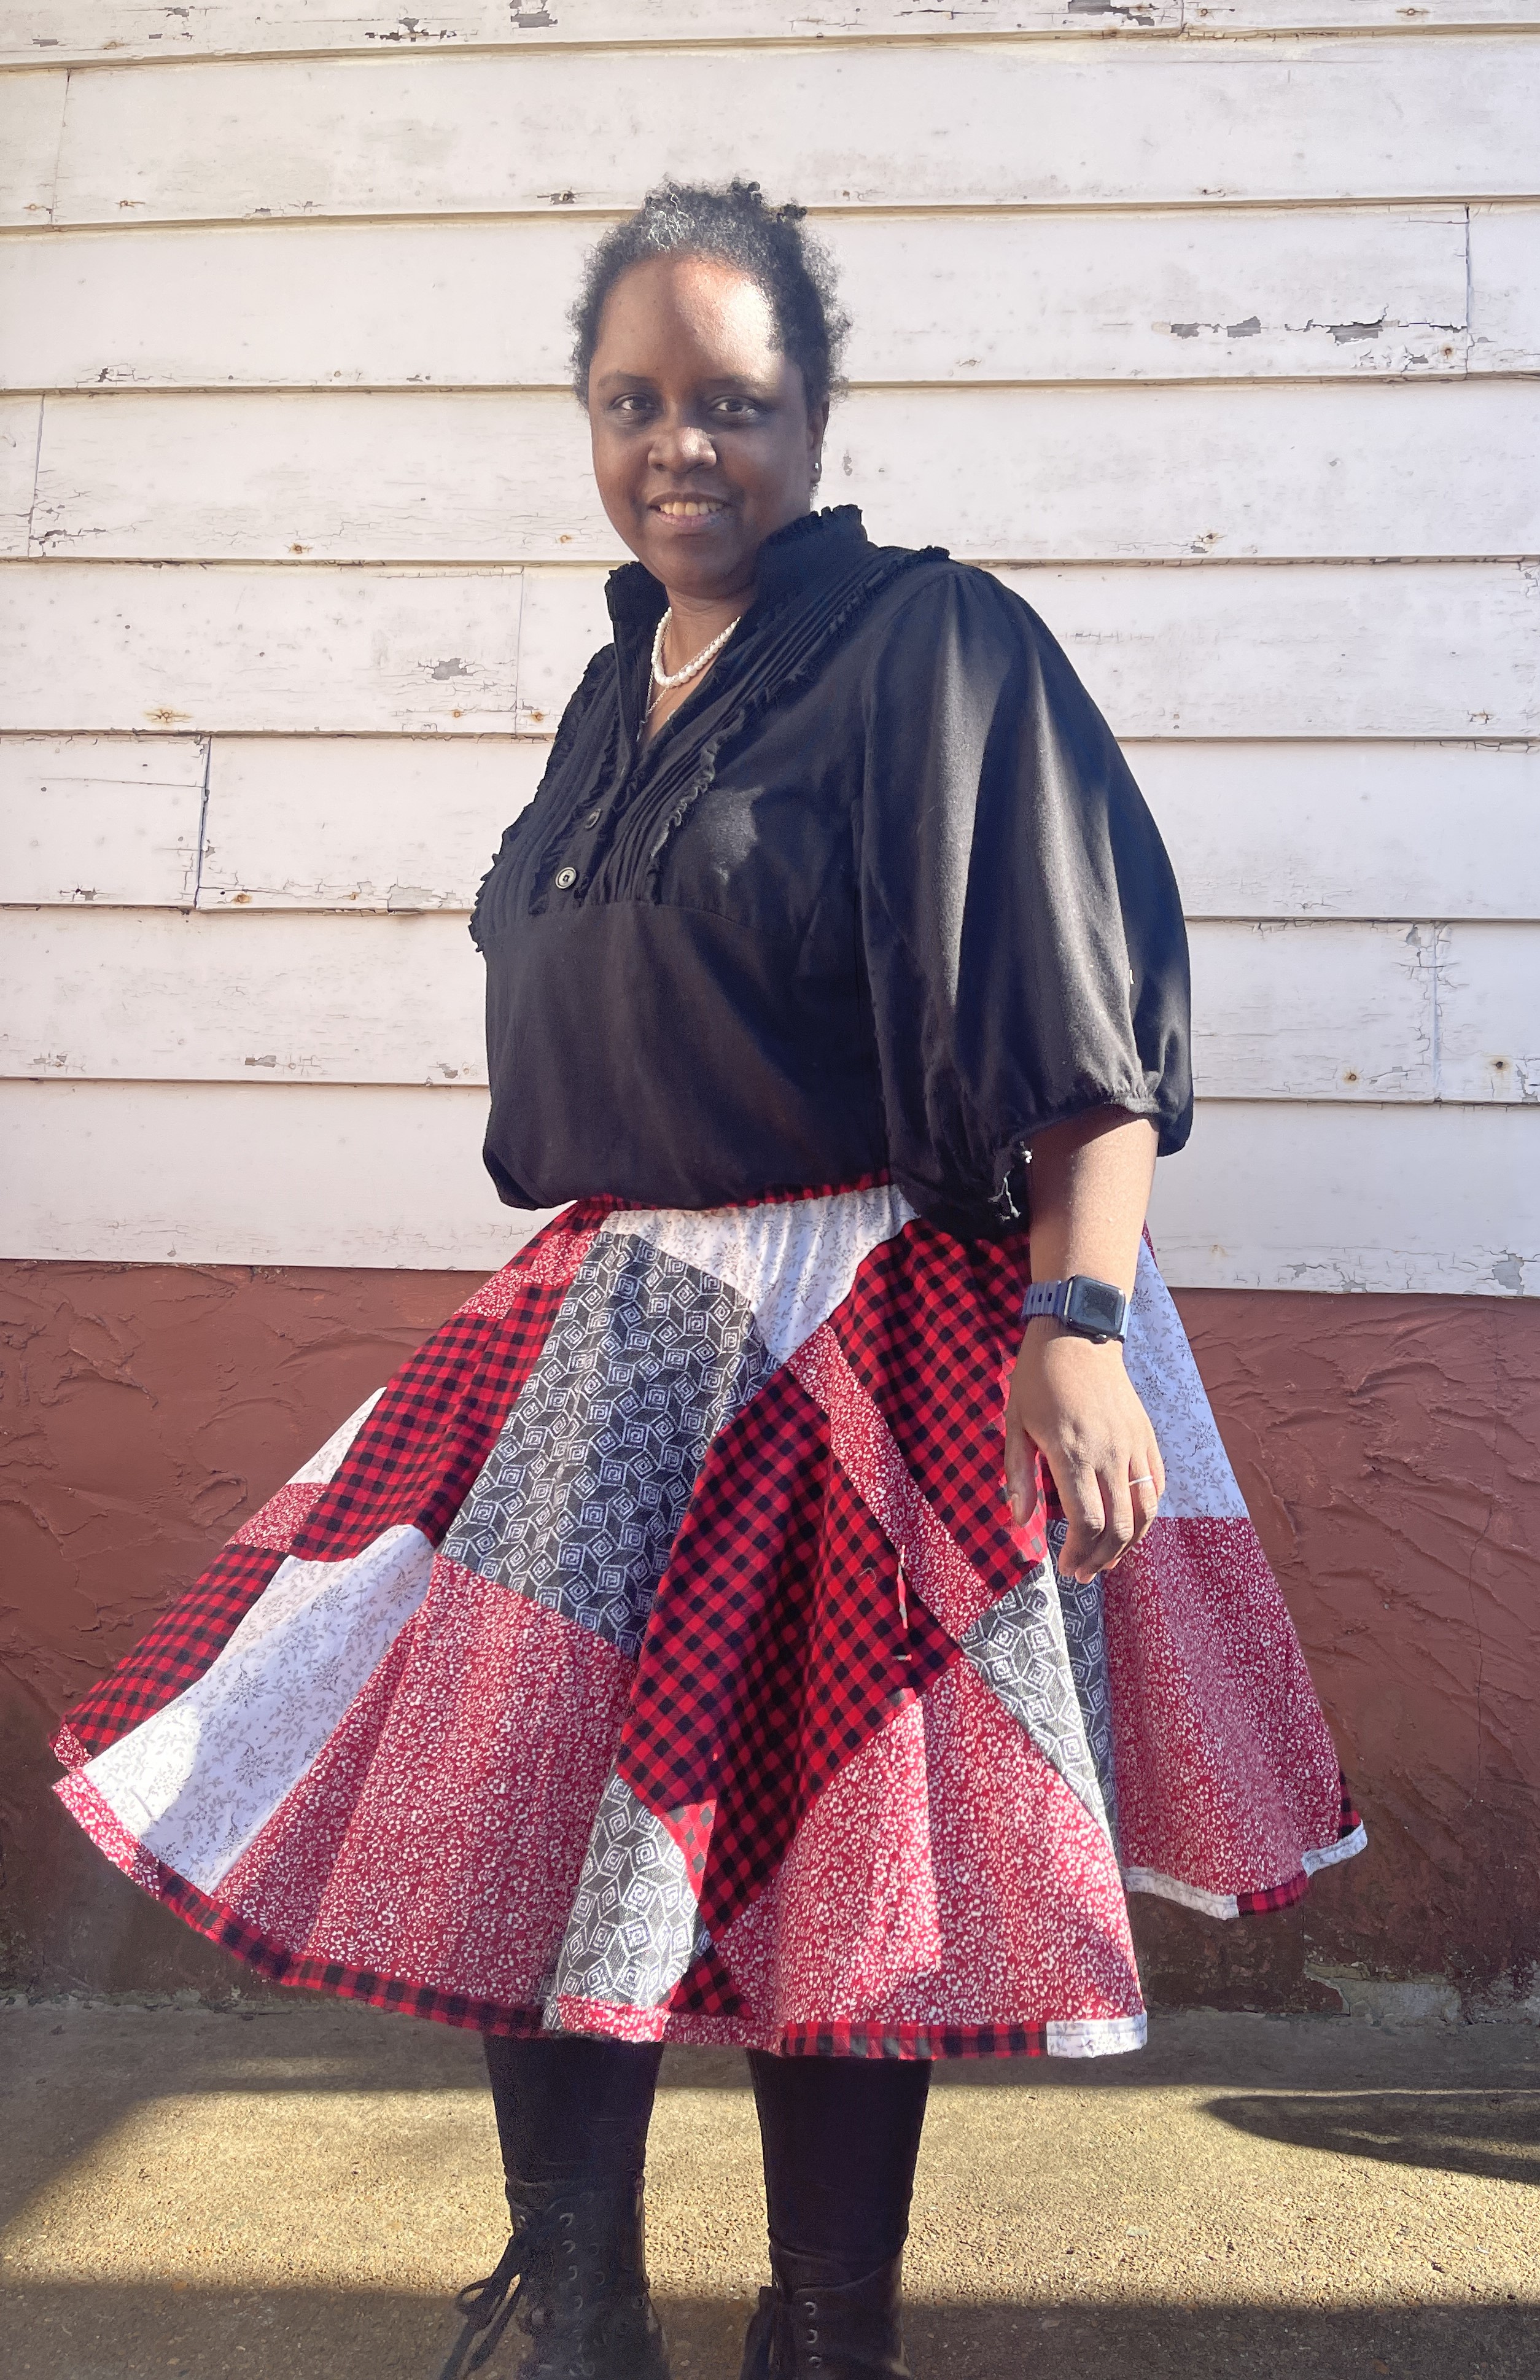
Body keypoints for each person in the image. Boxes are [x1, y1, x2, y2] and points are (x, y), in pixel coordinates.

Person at [50, 181, 1365, 2380]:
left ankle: (821, 2332)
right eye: (634, 399)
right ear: (586, 417)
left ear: (815, 417)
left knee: (833, 1842)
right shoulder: (617, 680)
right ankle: (576, 2306)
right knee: (534, 1794)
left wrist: (1079, 1320)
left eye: (734, 403)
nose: (684, 444)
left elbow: (1093, 1015)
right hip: (624, 1322)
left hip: (881, 1313)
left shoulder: (937, 646)